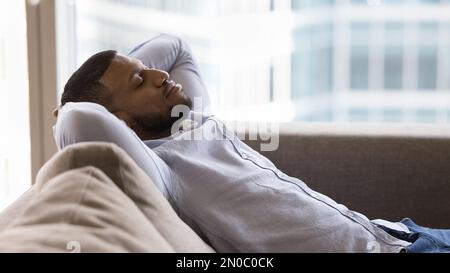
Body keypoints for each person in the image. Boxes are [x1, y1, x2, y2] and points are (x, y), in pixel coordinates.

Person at [53, 34, 450, 253]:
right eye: (140, 81)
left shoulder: (194, 121)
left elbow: (176, 46)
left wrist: (129, 73)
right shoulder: (162, 172)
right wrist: (68, 105)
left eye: (146, 69)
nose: (160, 75)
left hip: (401, 234)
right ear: (119, 122)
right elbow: (80, 120)